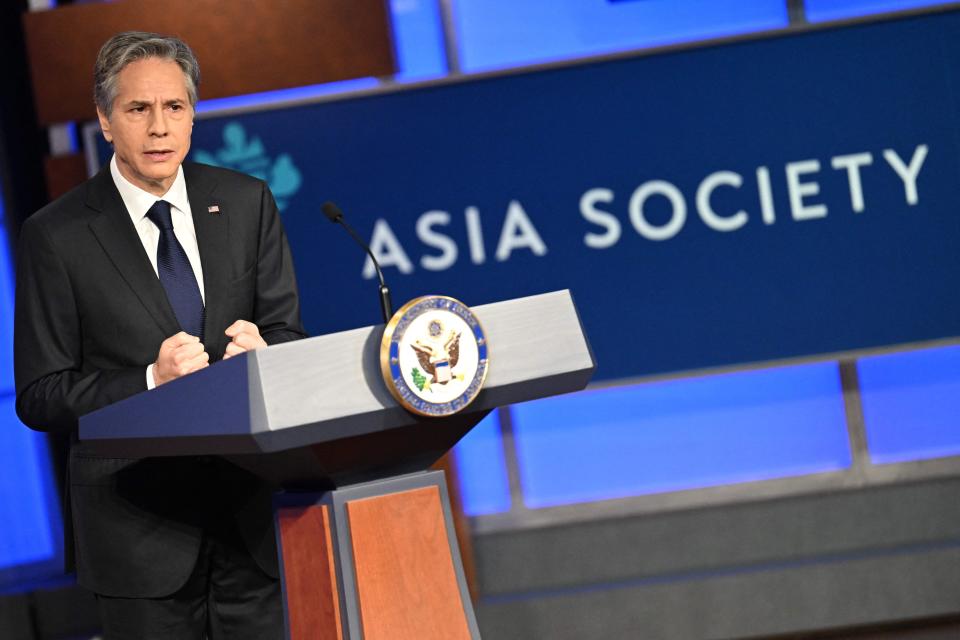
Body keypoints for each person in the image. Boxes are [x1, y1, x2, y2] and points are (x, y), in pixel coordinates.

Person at [14, 31, 305, 639]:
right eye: (137, 110)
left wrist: (268, 355)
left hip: (249, 525)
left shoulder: (245, 201)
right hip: (137, 539)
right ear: (105, 119)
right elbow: (42, 394)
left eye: (174, 108)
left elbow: (286, 333)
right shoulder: (58, 235)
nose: (158, 128)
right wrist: (149, 380)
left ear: (193, 115)